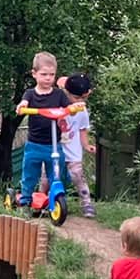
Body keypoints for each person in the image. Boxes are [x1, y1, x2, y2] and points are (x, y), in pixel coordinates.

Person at [15, 52, 71, 207]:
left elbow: (68, 107)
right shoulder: (30, 94)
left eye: (52, 75)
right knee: (30, 174)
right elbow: (24, 102)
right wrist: (22, 106)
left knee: (57, 174)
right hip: (34, 145)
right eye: (44, 74)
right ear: (34, 74)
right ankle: (25, 200)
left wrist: (74, 108)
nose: (48, 78)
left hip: (54, 145)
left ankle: (56, 198)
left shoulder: (59, 94)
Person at [59, 72, 97, 219]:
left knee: (78, 177)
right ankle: (42, 201)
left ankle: (86, 203)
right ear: (67, 93)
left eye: (83, 98)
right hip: (55, 149)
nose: (80, 101)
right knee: (47, 177)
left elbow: (82, 129)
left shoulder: (82, 110)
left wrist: (86, 145)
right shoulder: (57, 103)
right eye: (76, 98)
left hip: (73, 152)